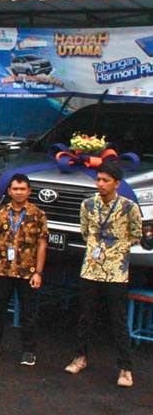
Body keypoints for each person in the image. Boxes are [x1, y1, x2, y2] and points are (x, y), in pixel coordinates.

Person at [64, 161, 142, 387]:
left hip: (116, 271)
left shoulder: (128, 207)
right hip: (91, 268)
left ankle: (125, 368)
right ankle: (80, 357)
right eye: (98, 179)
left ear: (117, 183)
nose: (100, 184)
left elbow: (136, 234)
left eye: (105, 181)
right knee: (85, 316)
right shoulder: (88, 204)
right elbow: (85, 232)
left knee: (117, 319)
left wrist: (116, 249)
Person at [0, 174, 47, 365]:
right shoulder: (0, 213)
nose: (19, 192)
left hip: (27, 271)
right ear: (9, 191)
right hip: (3, 270)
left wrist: (38, 272)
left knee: (28, 313)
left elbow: (42, 244)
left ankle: (29, 350)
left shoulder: (37, 214)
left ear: (29, 191)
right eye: (15, 189)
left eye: (22, 189)